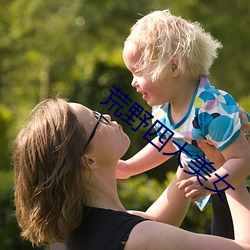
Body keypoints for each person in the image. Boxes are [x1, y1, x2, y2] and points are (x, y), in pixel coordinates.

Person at [13, 98, 250, 250]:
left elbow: (156, 221)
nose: (106, 116)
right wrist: (228, 165)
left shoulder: (71, 235)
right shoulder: (138, 238)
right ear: (88, 160)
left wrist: (190, 142)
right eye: (97, 120)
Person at [119, 9, 250, 239]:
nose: (133, 82)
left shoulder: (210, 109)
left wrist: (210, 183)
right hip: (216, 184)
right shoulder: (163, 107)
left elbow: (242, 160)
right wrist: (129, 167)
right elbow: (167, 142)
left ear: (173, 67)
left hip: (239, 186)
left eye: (138, 72)